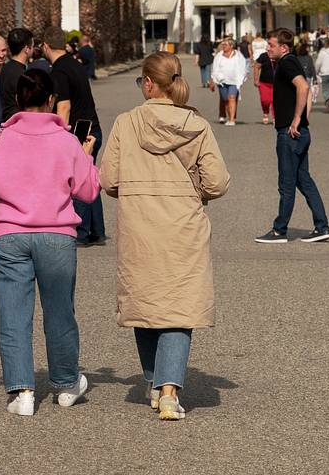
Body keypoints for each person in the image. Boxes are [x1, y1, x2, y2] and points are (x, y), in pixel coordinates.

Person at [100, 52, 230, 422]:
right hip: (183, 223)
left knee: (146, 305)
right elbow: (217, 182)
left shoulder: (126, 123)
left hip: (139, 223)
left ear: (147, 82)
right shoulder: (196, 125)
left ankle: (155, 381)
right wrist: (196, 191)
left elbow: (108, 179)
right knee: (178, 308)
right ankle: (170, 392)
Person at [0, 68, 100, 416]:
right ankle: (67, 382)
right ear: (51, 100)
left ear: (17, 100)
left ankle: (22, 390)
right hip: (56, 234)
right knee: (59, 312)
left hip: (9, 232)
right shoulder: (67, 141)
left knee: (13, 314)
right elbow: (88, 191)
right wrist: (86, 155)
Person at [255, 30, 329, 244]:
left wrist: (297, 119)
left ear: (283, 47)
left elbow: (303, 87)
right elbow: (305, 91)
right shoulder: (292, 61)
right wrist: (303, 119)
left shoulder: (287, 63)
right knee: (303, 180)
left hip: (290, 133)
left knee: (287, 183)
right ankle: (322, 226)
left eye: (271, 45)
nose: (267, 48)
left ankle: (280, 231)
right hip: (299, 132)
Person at [44, 26, 105, 246]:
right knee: (89, 177)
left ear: (45, 46)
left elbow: (64, 107)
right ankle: (97, 229)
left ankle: (80, 231)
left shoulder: (59, 70)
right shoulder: (74, 64)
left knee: (76, 181)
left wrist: (59, 135)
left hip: (79, 131)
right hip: (93, 127)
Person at [209, 39, 248, 126]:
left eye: (225, 45)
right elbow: (214, 69)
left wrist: (241, 79)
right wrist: (212, 81)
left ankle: (231, 120)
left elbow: (243, 68)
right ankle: (229, 115)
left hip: (234, 82)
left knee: (232, 97)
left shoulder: (238, 56)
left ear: (231, 46)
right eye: (223, 44)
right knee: (226, 100)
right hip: (222, 82)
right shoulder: (219, 56)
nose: (223, 46)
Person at [0, 27, 34, 121]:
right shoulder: (21, 74)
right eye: (32, 46)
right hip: (18, 123)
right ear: (27, 49)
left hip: (7, 122)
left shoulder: (5, 68)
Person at [253, 44, 276, 126]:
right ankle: (265, 112)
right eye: (269, 49)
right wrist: (256, 79)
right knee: (265, 100)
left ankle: (275, 117)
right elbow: (256, 66)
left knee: (275, 101)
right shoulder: (263, 56)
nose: (270, 51)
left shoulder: (278, 57)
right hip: (264, 82)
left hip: (276, 83)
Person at [295, 38, 317, 120]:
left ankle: (299, 111)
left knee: (299, 94)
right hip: (307, 77)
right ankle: (306, 114)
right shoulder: (309, 58)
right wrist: (314, 78)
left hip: (299, 78)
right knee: (308, 95)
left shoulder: (297, 58)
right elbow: (312, 68)